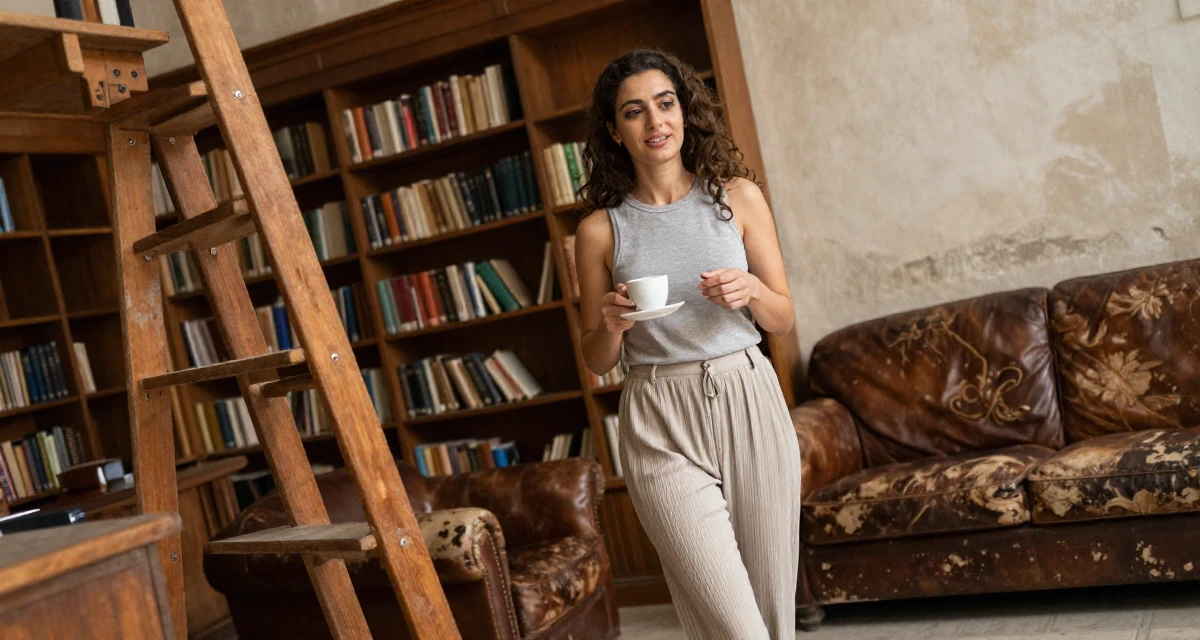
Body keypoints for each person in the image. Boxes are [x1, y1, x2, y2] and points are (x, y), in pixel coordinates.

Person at [574, 49, 801, 639]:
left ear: (684, 110)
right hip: (657, 413)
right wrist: (612, 325)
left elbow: (781, 317)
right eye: (634, 112)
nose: (655, 122)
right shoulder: (600, 230)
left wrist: (751, 289)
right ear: (613, 131)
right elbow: (596, 359)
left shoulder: (738, 198)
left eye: (665, 103)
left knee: (771, 610)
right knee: (734, 622)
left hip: (746, 393)